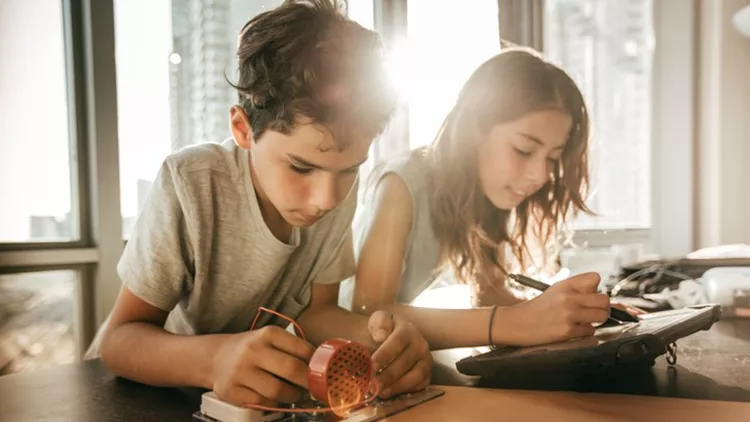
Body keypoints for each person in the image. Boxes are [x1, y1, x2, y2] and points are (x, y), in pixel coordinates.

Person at [88, 0, 432, 408]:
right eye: (301, 167)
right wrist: (216, 359)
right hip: (129, 397)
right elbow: (120, 341)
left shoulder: (336, 189)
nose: (326, 199)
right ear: (243, 128)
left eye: (349, 171)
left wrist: (385, 341)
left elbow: (316, 313)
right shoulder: (191, 183)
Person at [348, 47, 638, 351]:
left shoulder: (483, 192)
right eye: (524, 150)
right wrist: (516, 323)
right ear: (474, 129)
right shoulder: (402, 182)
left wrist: (573, 313)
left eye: (553, 158)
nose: (539, 175)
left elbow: (490, 294)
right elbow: (368, 313)